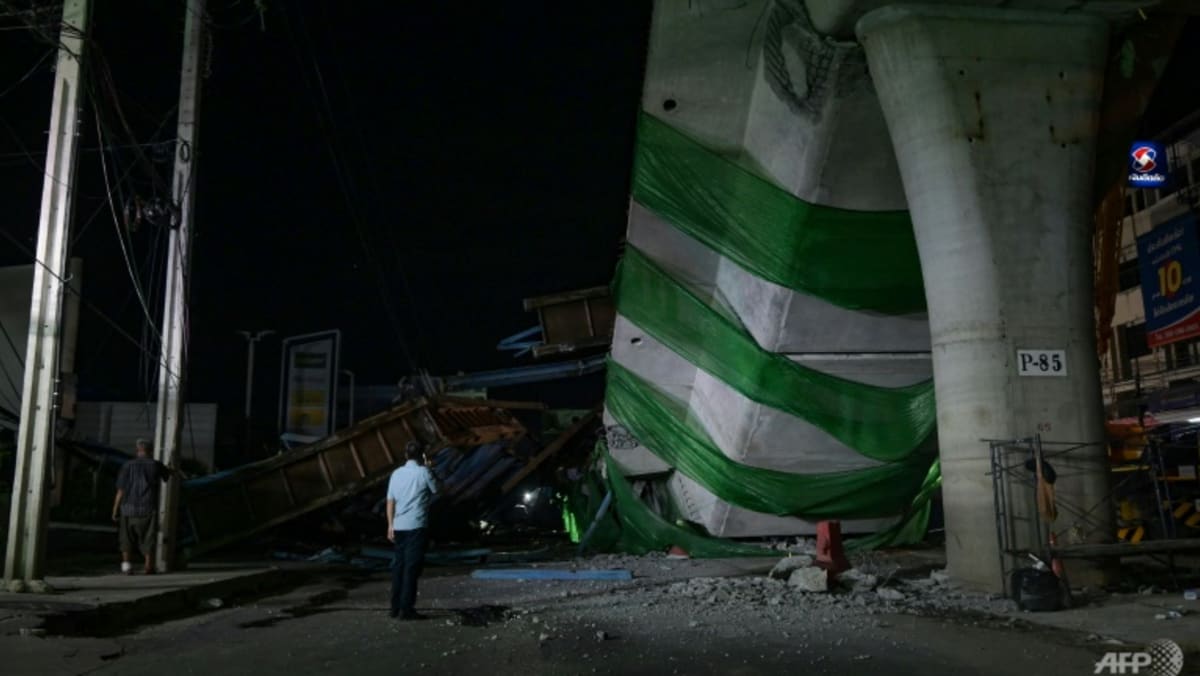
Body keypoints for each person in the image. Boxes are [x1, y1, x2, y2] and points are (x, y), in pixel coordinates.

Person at [386, 440, 439, 620]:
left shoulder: (396, 474)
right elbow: (438, 489)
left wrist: (390, 525)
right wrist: (431, 469)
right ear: (422, 456)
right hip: (416, 526)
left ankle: (394, 608)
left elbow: (390, 501)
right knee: (411, 569)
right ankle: (406, 610)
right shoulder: (424, 472)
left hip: (398, 526)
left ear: (405, 455)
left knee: (399, 567)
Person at [111, 439, 172, 574]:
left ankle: (127, 567)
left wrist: (115, 510)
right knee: (148, 538)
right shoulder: (155, 465)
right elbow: (167, 477)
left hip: (127, 508)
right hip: (148, 508)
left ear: (137, 450)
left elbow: (120, 490)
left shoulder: (127, 465)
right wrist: (169, 468)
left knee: (126, 538)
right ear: (151, 451)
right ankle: (148, 567)